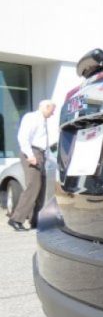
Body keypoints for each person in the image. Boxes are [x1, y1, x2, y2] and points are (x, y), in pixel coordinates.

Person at [8, 99, 56, 231]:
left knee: (41, 189)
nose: (52, 114)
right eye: (52, 111)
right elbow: (23, 137)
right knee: (33, 187)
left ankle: (36, 221)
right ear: (46, 107)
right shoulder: (32, 118)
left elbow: (44, 143)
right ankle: (16, 219)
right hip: (32, 153)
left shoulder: (43, 121)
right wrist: (30, 156)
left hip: (40, 154)